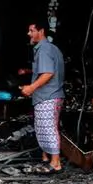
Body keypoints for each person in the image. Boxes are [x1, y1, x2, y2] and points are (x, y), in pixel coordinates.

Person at [19, 20, 66, 173]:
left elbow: (48, 73)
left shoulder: (44, 49)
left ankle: (55, 163)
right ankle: (46, 159)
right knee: (43, 128)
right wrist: (28, 72)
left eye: (32, 30)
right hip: (50, 95)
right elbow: (45, 69)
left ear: (41, 31)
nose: (29, 34)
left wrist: (31, 87)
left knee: (48, 128)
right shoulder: (50, 48)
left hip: (48, 96)